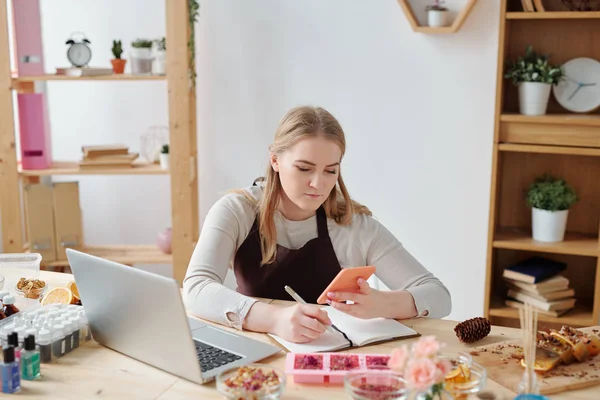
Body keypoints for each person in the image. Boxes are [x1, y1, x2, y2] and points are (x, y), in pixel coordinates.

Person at [182, 105, 451, 344]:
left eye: (330, 171)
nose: (318, 183)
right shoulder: (236, 211)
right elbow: (196, 288)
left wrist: (383, 304)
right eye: (304, 168)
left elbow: (439, 295)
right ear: (275, 160)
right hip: (257, 357)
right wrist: (275, 319)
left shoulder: (355, 225)